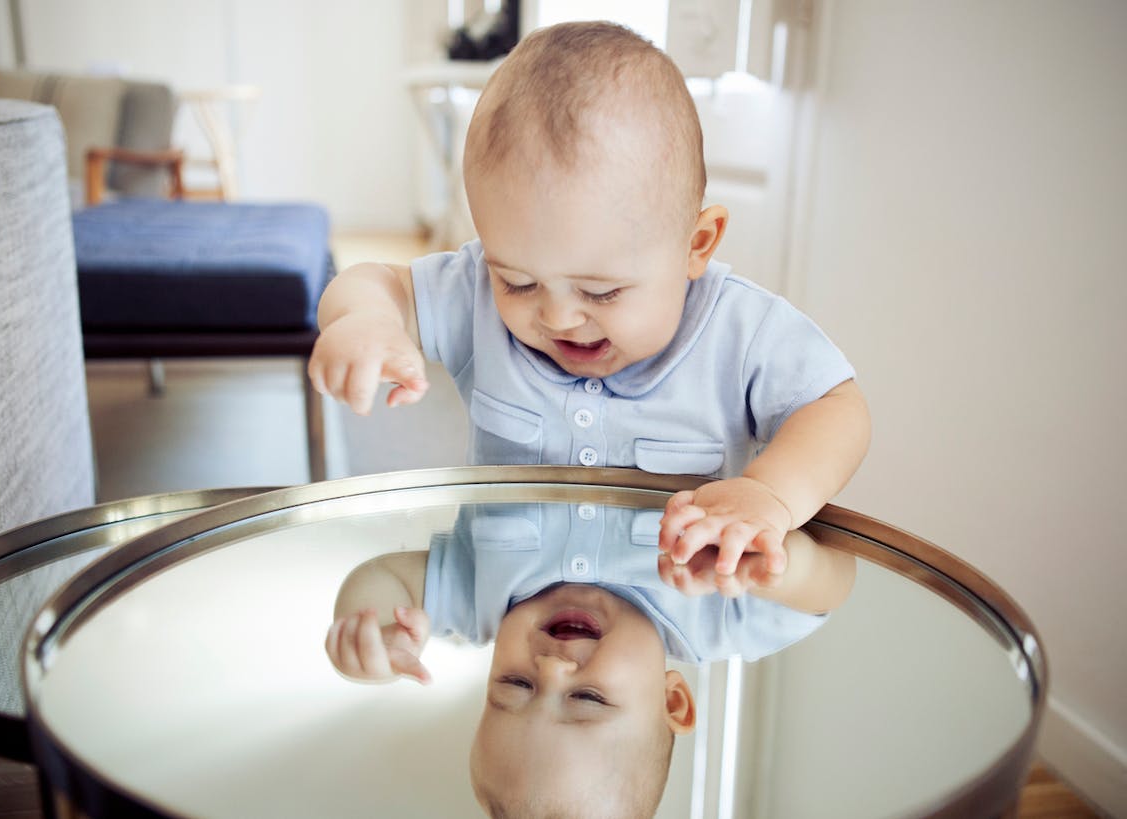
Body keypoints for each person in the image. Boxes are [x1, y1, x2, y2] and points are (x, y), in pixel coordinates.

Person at [308, 19, 870, 647]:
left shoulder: (741, 330)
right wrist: (366, 320)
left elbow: (835, 416)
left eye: (601, 292)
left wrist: (772, 494)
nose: (556, 316)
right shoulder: (473, 294)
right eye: (517, 282)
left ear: (697, 244)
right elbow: (375, 282)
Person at [326, 505, 855, 819]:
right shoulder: (719, 615)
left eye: (514, 684)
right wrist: (777, 566)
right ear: (672, 700)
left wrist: (367, 638)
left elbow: (382, 577)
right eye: (588, 698)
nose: (551, 668)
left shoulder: (482, 599)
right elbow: (836, 579)